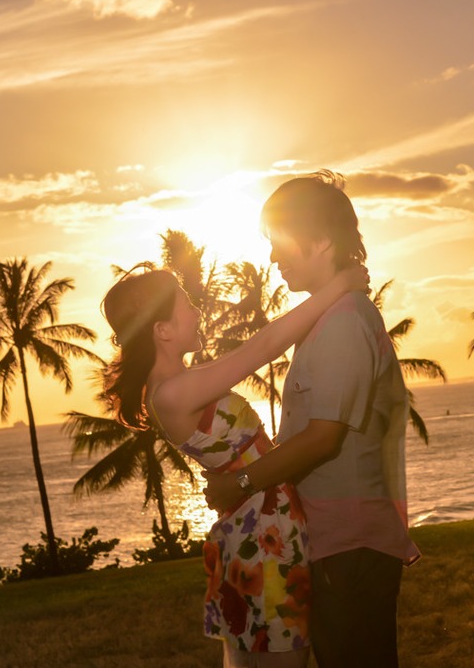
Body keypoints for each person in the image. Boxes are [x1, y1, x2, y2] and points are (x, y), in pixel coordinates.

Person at [102, 262, 368, 668]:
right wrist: (339, 285)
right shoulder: (172, 394)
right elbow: (263, 346)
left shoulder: (182, 382)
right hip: (264, 537)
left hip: (262, 529)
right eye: (186, 303)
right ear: (163, 330)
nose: (197, 311)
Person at [205, 171, 420, 668]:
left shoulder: (344, 323)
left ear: (321, 241)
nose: (274, 257)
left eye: (280, 242)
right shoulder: (329, 317)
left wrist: (239, 483)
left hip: (349, 545)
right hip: (334, 542)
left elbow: (323, 439)